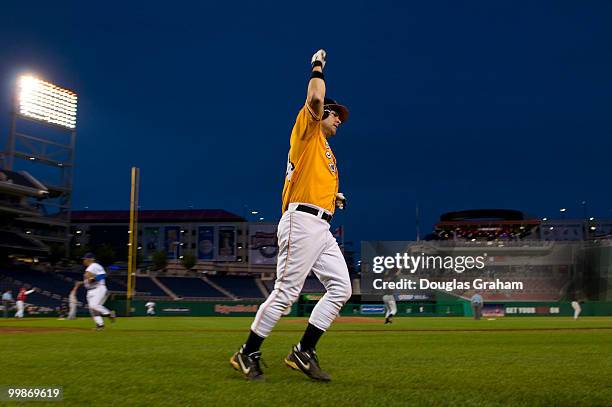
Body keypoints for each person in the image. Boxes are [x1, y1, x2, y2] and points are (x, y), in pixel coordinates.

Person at [231, 49, 351, 382]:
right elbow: (314, 97)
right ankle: (247, 351)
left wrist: (332, 197)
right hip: (302, 222)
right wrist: (317, 67)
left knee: (341, 288)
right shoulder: (308, 129)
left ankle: (303, 350)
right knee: (286, 293)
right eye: (335, 113)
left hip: (320, 226)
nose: (339, 118)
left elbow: (307, 180)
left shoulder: (325, 149)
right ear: (322, 113)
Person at [82, 253, 116, 330]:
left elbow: (103, 275)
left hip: (98, 289)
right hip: (90, 290)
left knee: (94, 305)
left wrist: (93, 279)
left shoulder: (95, 265)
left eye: (85, 259)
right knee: (92, 309)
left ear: (91, 259)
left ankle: (109, 313)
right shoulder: (89, 268)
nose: (84, 260)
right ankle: (100, 325)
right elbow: (88, 279)